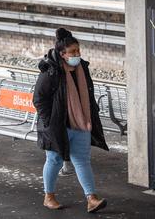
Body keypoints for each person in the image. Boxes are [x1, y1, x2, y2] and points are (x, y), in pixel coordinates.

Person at [33, 28, 109, 213]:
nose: (77, 54)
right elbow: (39, 98)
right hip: (58, 125)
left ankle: (91, 198)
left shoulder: (82, 68)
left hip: (81, 123)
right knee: (54, 160)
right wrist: (49, 121)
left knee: (82, 160)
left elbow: (87, 95)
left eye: (78, 50)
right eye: (73, 52)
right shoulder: (50, 71)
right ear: (62, 54)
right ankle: (48, 196)